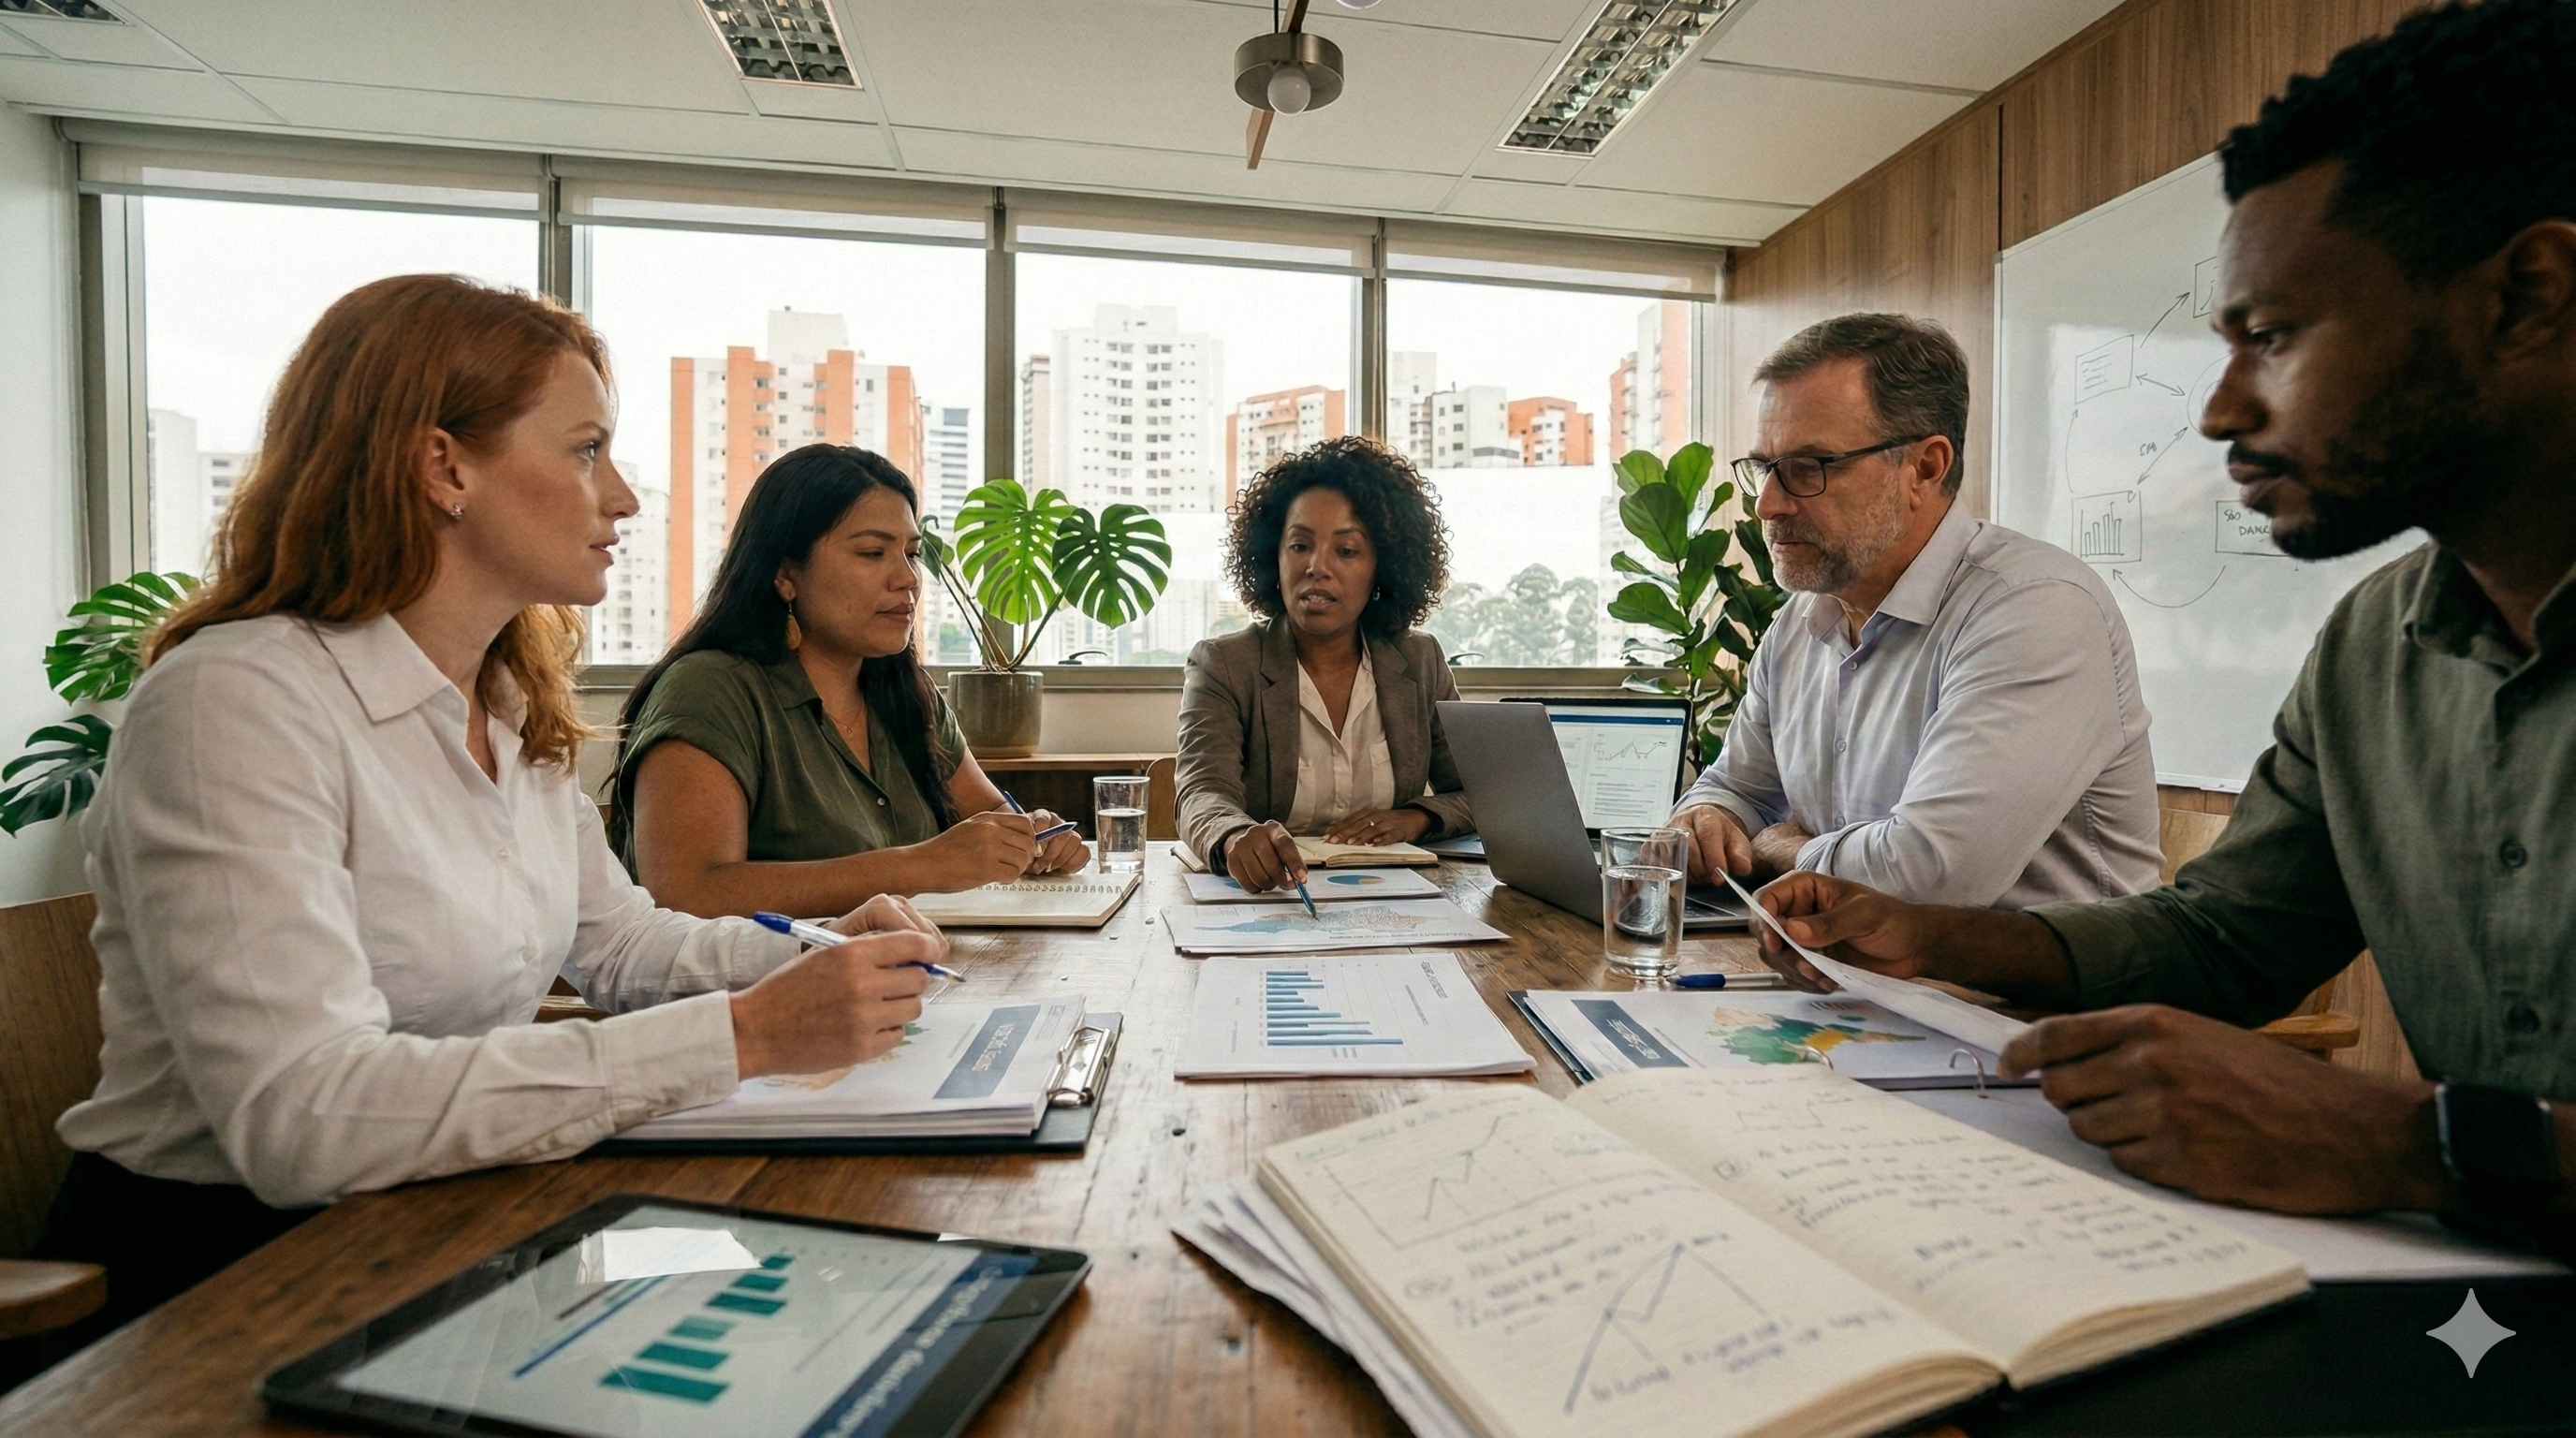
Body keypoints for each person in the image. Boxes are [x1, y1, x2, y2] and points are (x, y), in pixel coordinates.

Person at [1754, 0, 2576, 1255]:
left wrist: (2402, 1141)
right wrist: (1938, 934)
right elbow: (2228, 940)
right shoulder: (2373, 648)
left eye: (2277, 337)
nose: (2221, 410)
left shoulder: (2029, 605)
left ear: (2528, 298)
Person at [33, 276, 944, 1340]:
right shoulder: (234, 701)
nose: (625, 499)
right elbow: (303, 1117)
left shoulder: (505, 700)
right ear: (444, 465)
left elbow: (621, 944)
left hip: (451, 1220)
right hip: (219, 1276)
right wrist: (739, 1036)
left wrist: (815, 958)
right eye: (585, 451)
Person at [1671, 313, 2162, 911]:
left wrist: (1789, 852)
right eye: (1765, 469)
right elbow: (1737, 790)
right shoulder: (1801, 625)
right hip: (1852, 983)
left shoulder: (2034, 608)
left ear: (1924, 467)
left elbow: (1932, 875)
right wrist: (1708, 816)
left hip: (2025, 1001)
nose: (1769, 505)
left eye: (1809, 469)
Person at [613, 446, 1088, 917]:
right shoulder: (709, 690)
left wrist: (1035, 838)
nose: (907, 578)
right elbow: (687, 895)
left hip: (919, 976)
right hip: (769, 989)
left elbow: (993, 821)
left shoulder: (909, 692)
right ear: (784, 574)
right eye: (872, 552)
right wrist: (918, 866)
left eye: (912, 554)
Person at [1177, 436, 1472, 893]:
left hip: (1391, 896)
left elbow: (1479, 793)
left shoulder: (1420, 662)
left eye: (1347, 551)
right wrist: (1235, 835)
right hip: (1271, 897)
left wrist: (1414, 819)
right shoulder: (1224, 664)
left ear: (1383, 568)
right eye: (1299, 546)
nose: (1317, 566)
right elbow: (1201, 792)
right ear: (1273, 559)